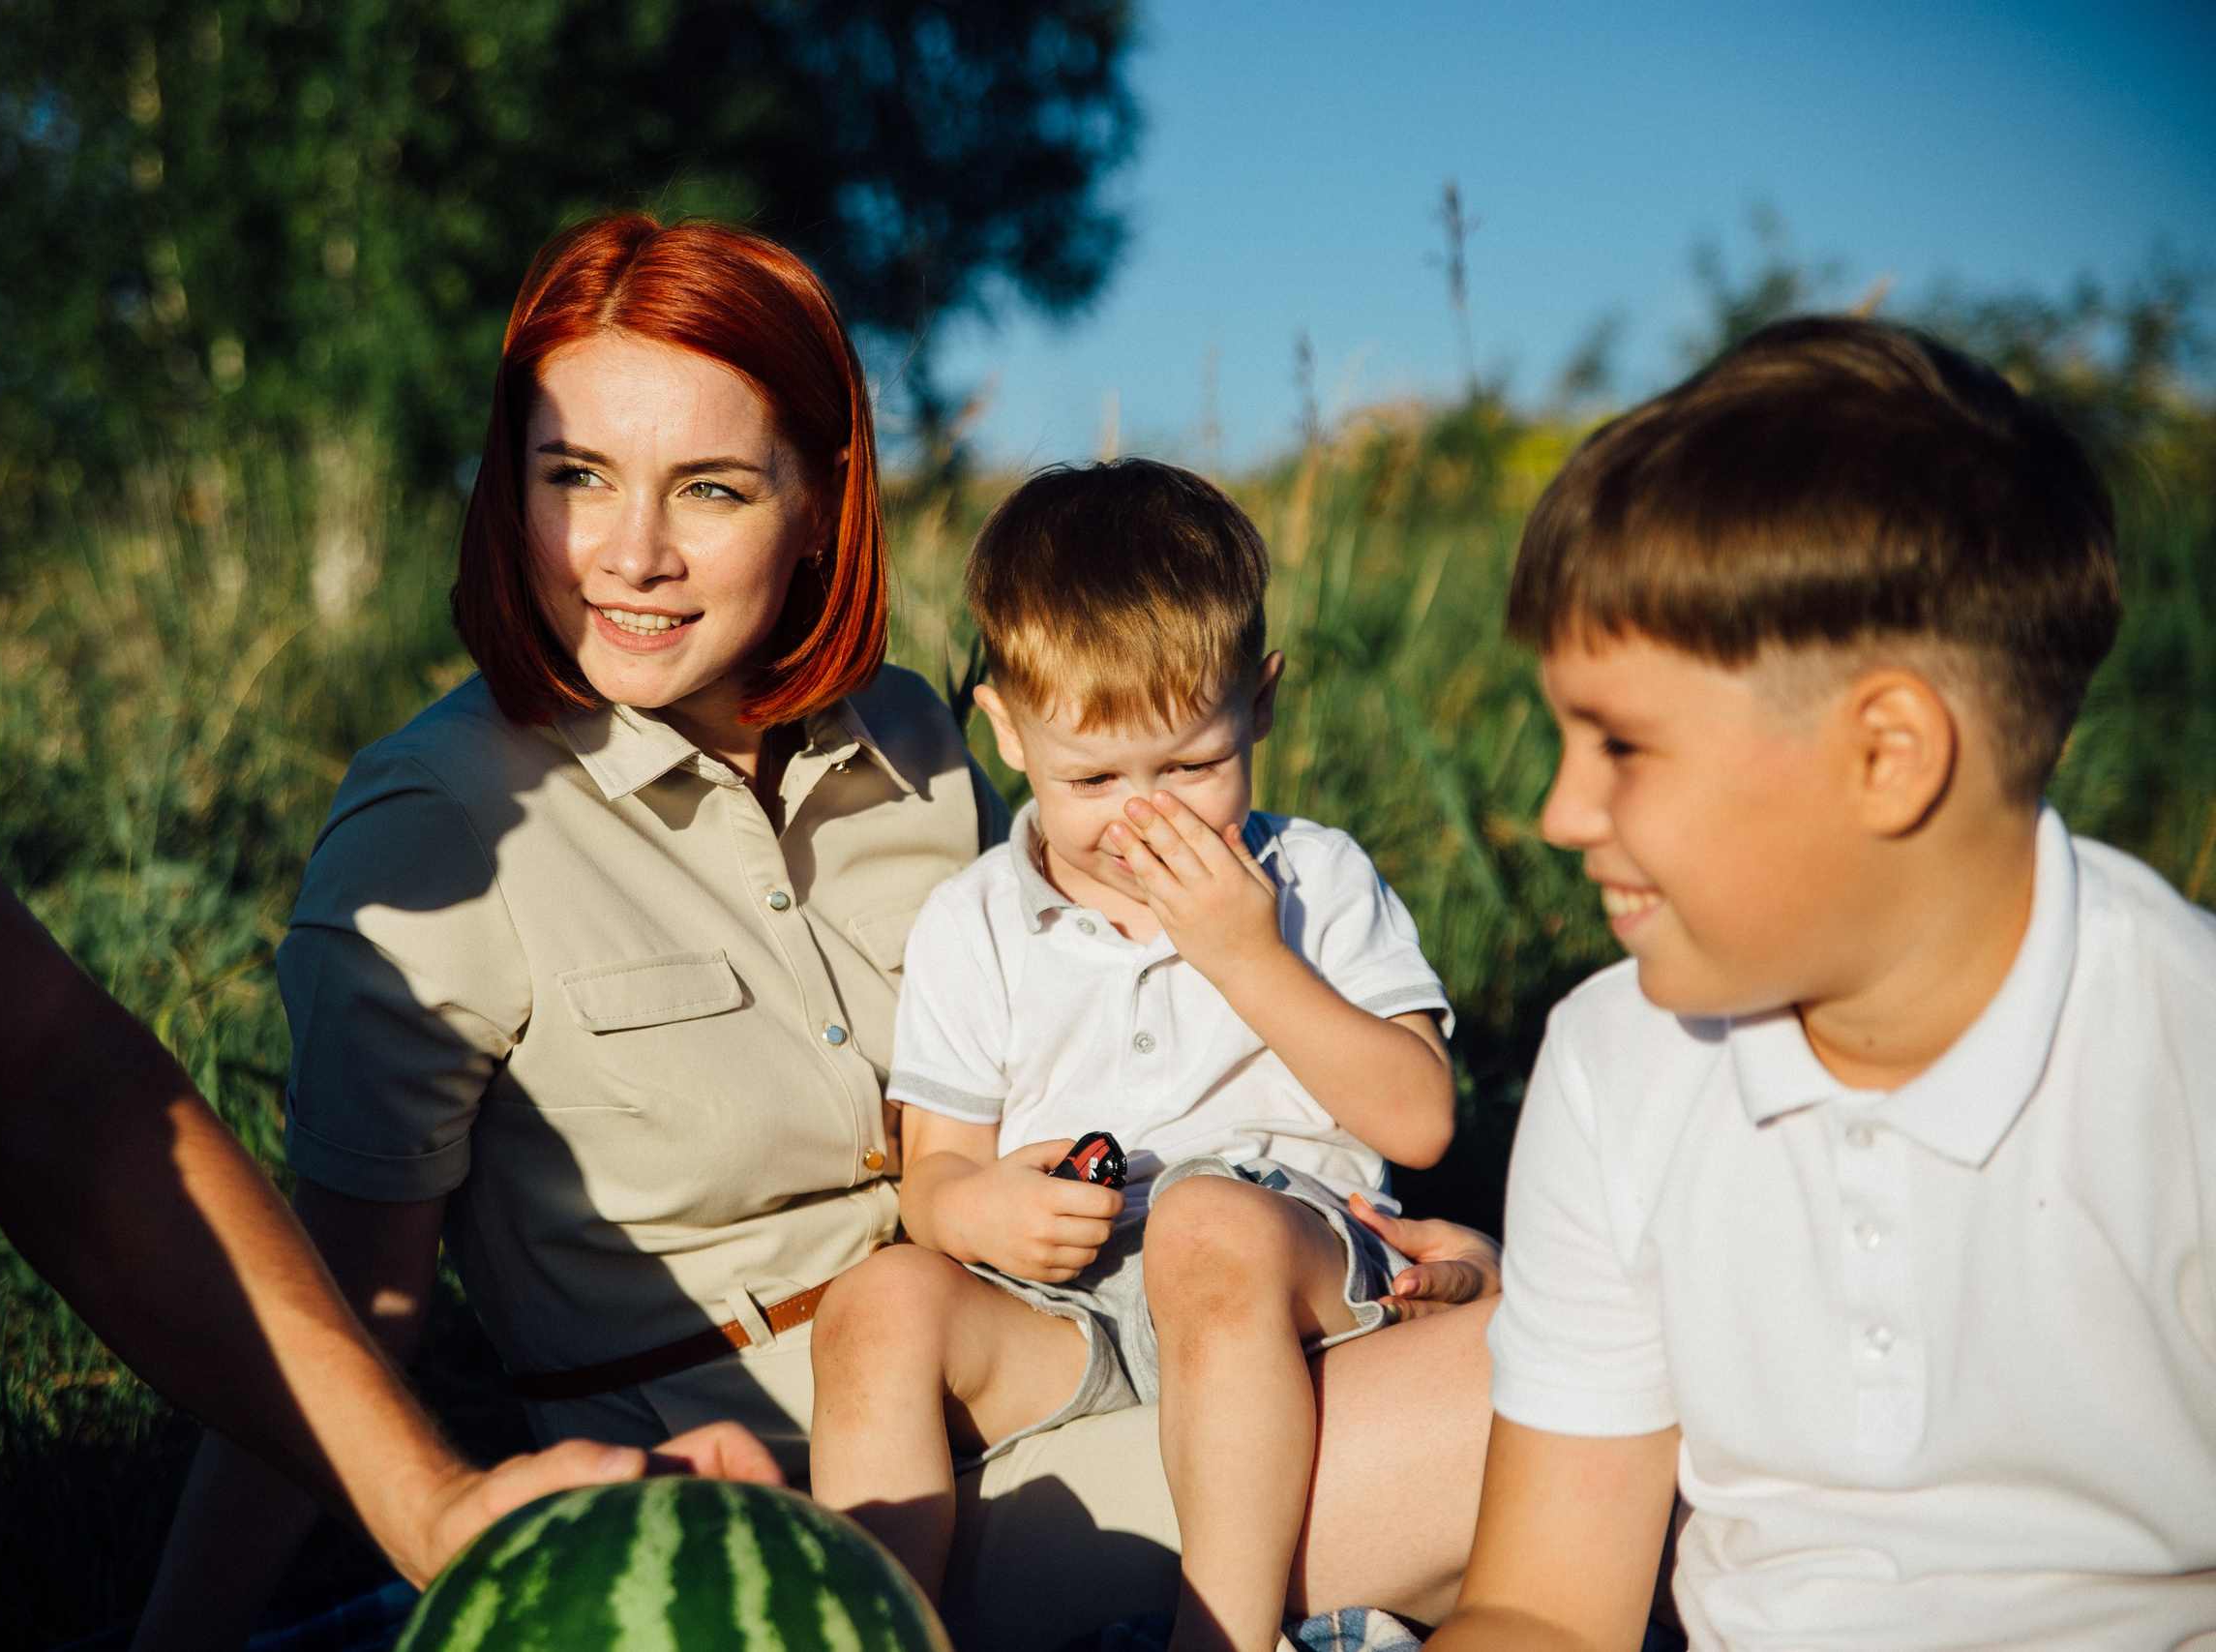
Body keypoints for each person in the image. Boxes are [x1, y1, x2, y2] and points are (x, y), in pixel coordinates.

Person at [141, 216, 1507, 1652]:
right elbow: (346, 1306)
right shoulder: (442, 823)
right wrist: (177, 1642)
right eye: (576, 478)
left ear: (818, 504)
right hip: (783, 1501)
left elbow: (1079, 1039)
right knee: (1566, 1394)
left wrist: (1373, 1241)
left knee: (1564, 1348)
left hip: (1062, 1341)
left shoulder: (911, 738)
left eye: (712, 488)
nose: (633, 554)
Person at [0, 0, 778, 1602]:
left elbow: (58, 1086)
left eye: (712, 484)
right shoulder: (441, 809)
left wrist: (434, 1508)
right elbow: (370, 1234)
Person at [1425, 317, 2216, 1650]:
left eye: (1622, 743)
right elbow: (1545, 1604)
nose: (1561, 811)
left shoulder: (2180, 1051)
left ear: (1889, 753)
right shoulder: (1619, 1057)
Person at [810, 460, 1460, 1652]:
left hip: (1282, 1254)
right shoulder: (976, 918)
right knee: (880, 1304)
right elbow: (933, 1176)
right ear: (1006, 731)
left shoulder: (1314, 878)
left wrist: (1247, 956)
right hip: (1071, 1303)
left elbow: (1419, 1120)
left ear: (1259, 704)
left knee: (1205, 1222)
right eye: (1093, 778)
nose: (1143, 818)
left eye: (1192, 768)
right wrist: (976, 1215)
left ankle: (1222, 1638)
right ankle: (872, 1634)